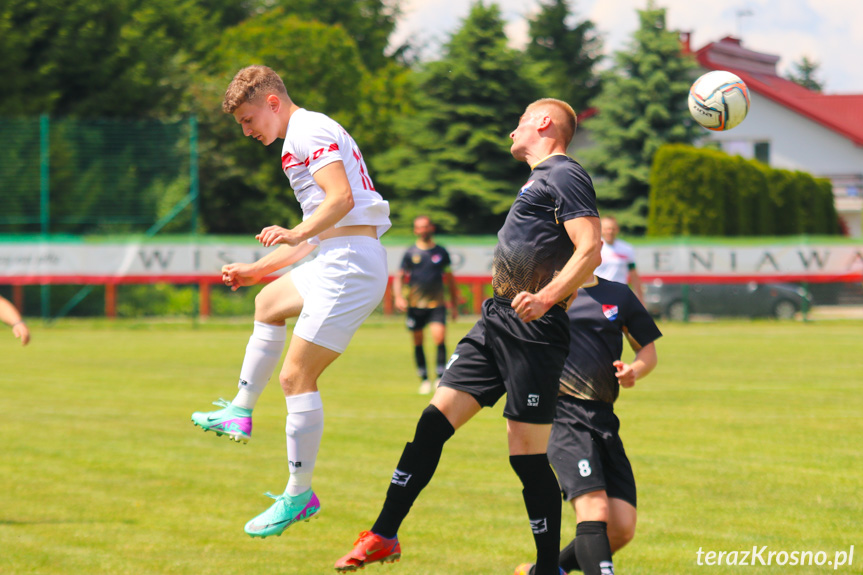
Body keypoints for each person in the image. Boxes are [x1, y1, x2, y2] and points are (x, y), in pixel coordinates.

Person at [334, 98, 602, 575]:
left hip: (535, 332)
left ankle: (547, 568)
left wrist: (547, 296)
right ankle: (383, 534)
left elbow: (590, 248)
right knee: (432, 424)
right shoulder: (538, 180)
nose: (512, 131)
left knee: (525, 455)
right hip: (496, 321)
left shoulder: (564, 173)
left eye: (520, 121)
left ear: (543, 123)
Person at [190, 65, 391, 538]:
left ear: (273, 103)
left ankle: (299, 494)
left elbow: (339, 200)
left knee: (295, 377)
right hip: (337, 255)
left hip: (351, 265)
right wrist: (255, 270)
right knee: (267, 302)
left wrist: (297, 230)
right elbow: (316, 236)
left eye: (248, 118)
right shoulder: (293, 143)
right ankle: (239, 411)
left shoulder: (309, 129)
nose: (246, 130)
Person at [514, 275, 661, 575]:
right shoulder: (541, 295)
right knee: (594, 510)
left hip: (605, 420)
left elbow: (647, 351)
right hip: (562, 417)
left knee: (621, 528)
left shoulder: (617, 294)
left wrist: (635, 370)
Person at [393, 215, 459, 394]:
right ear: (415, 230)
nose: (422, 230)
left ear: (432, 228)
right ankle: (423, 378)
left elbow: (450, 279)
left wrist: (453, 304)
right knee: (418, 341)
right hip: (415, 305)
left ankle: (439, 377)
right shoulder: (410, 253)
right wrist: (398, 296)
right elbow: (399, 277)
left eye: (425, 226)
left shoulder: (441, 252)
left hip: (436, 304)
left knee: (439, 338)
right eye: (419, 227)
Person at [594, 216, 643, 304]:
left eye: (612, 228)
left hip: (619, 294)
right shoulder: (594, 247)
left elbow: (633, 274)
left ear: (617, 229)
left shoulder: (627, 249)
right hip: (599, 294)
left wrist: (640, 298)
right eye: (606, 229)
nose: (610, 231)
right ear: (601, 229)